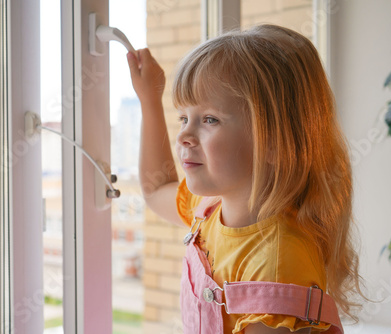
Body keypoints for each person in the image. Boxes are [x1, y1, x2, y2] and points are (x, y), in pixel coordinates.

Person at [126, 24, 363, 334]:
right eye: (184, 117)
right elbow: (156, 188)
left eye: (209, 119)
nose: (183, 134)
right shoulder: (209, 208)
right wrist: (149, 99)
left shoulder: (277, 266)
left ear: (276, 143)